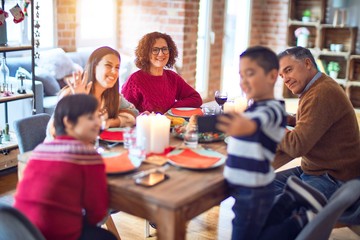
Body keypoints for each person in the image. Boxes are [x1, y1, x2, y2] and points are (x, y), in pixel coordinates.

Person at [14, 94, 116, 240]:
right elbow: (97, 213)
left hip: (20, 230)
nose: (98, 122)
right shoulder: (87, 155)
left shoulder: (40, 149)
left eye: (98, 116)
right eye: (90, 118)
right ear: (68, 122)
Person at [216, 46, 287, 240]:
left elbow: (255, 124)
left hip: (254, 192)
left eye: (250, 74)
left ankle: (297, 221)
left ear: (272, 76)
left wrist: (242, 124)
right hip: (242, 189)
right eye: (241, 75)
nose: (244, 81)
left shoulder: (274, 109)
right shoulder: (254, 107)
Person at [273, 46, 360, 202]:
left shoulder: (320, 93)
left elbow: (296, 146)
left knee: (282, 209)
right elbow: (315, 119)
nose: (285, 79)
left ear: (307, 64)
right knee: (261, 188)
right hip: (318, 169)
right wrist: (290, 120)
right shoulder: (319, 85)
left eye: (288, 70)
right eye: (281, 75)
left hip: (334, 177)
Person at [47, 46, 139, 139]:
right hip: (62, 150)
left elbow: (134, 114)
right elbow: (53, 132)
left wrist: (110, 122)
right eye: (108, 65)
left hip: (93, 148)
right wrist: (78, 102)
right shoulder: (71, 94)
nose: (114, 72)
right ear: (94, 67)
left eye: (117, 67)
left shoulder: (112, 97)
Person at [121, 31, 202, 114]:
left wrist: (171, 109)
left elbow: (196, 98)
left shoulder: (172, 77)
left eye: (164, 49)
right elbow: (124, 112)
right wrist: (143, 116)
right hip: (145, 126)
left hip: (171, 125)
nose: (161, 54)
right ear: (146, 53)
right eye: (155, 50)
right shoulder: (135, 80)